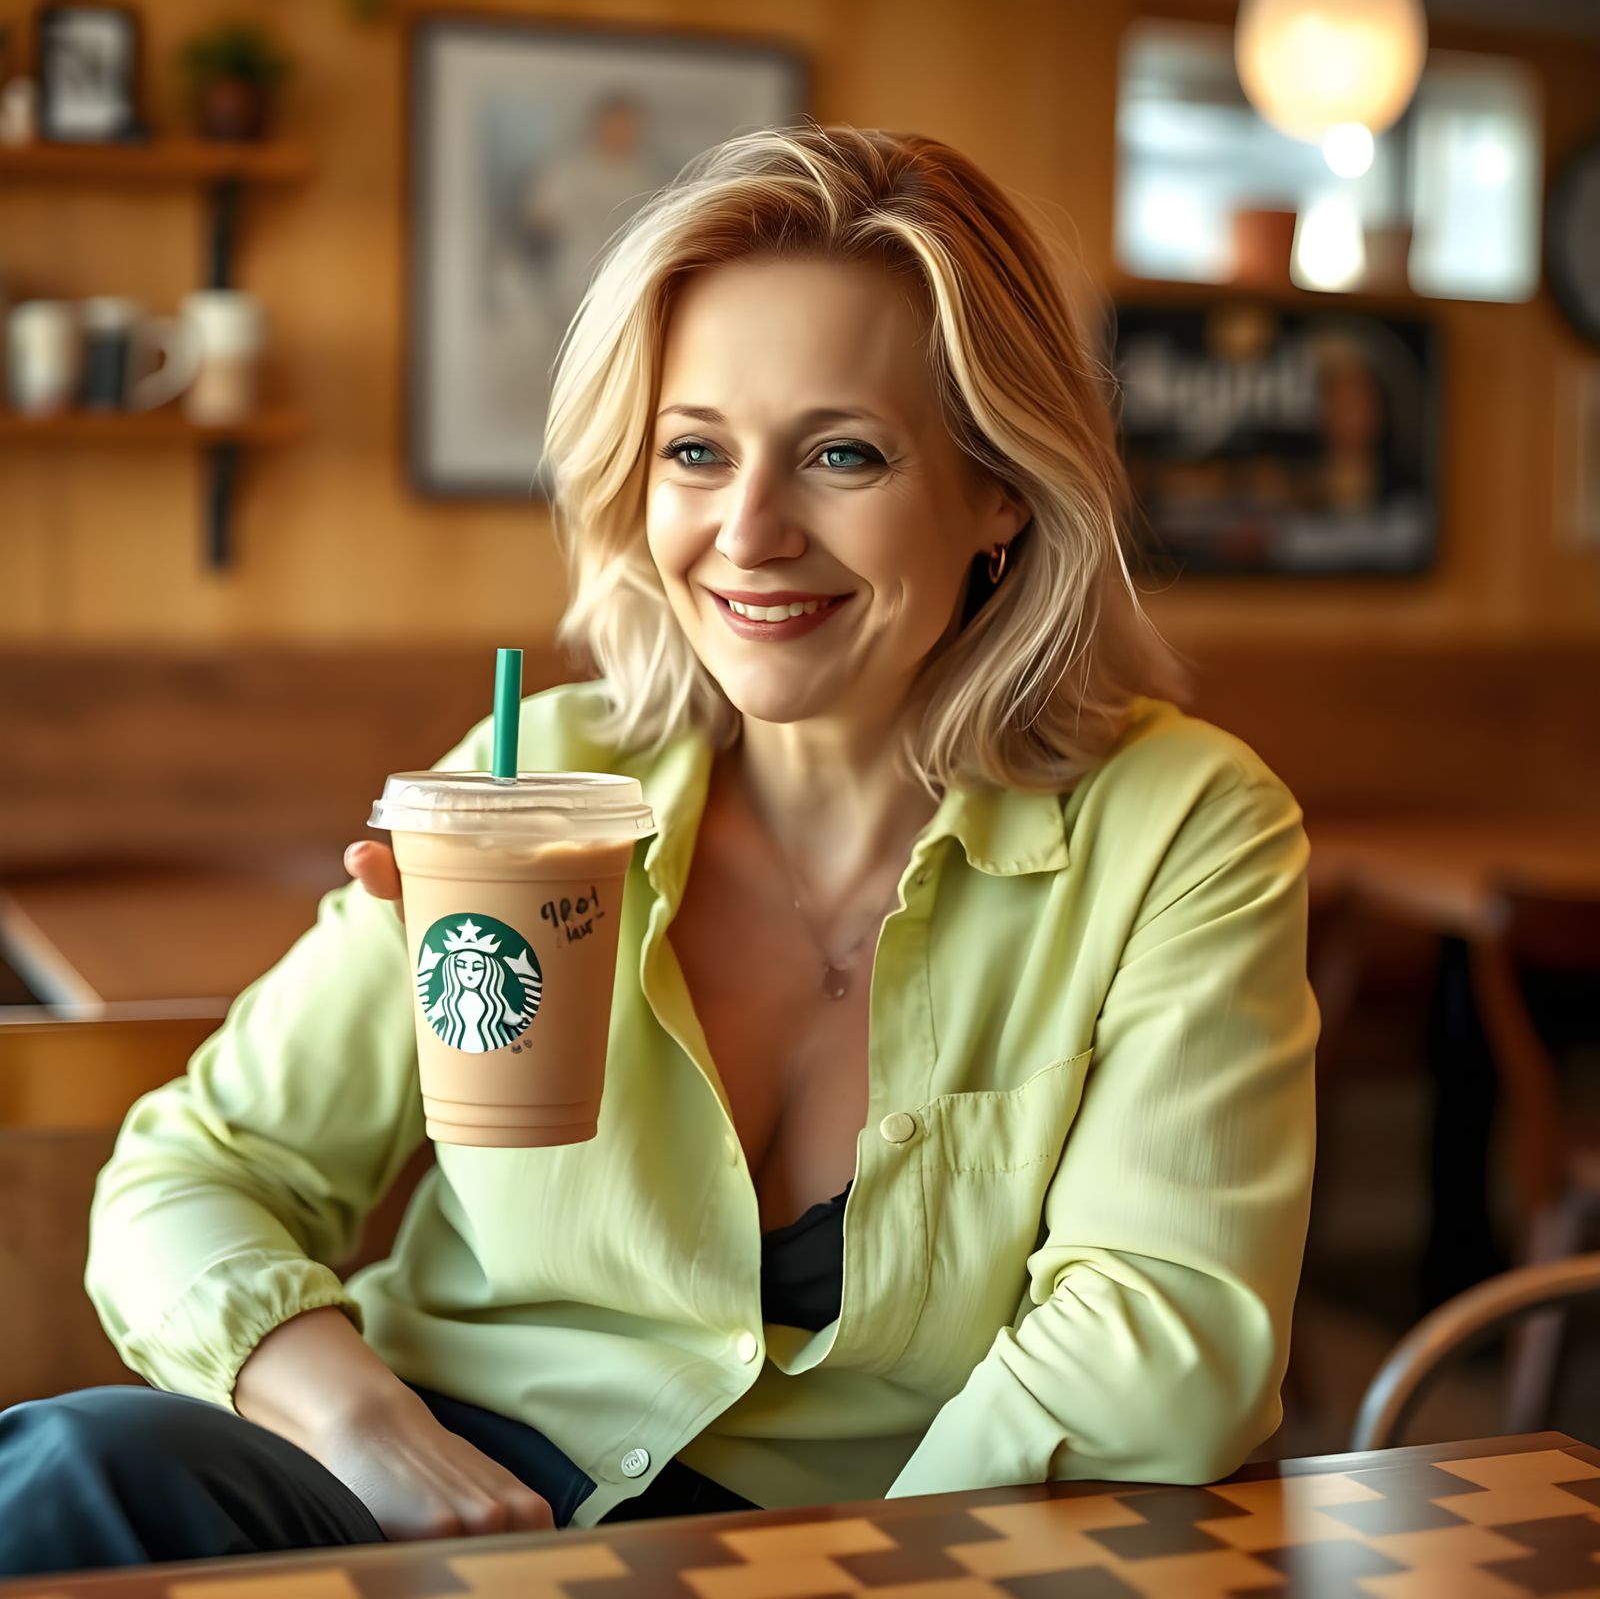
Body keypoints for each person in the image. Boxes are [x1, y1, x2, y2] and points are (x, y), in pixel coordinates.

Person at [0, 121, 1319, 1576]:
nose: (749, 532)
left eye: (842, 454)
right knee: (76, 1468)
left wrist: (858, 1574)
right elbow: (192, 1175)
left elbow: (1164, 1341)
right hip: (421, 1500)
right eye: (696, 451)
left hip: (870, 1547)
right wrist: (363, 1425)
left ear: (999, 488)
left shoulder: (1180, 829)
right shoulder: (529, 785)